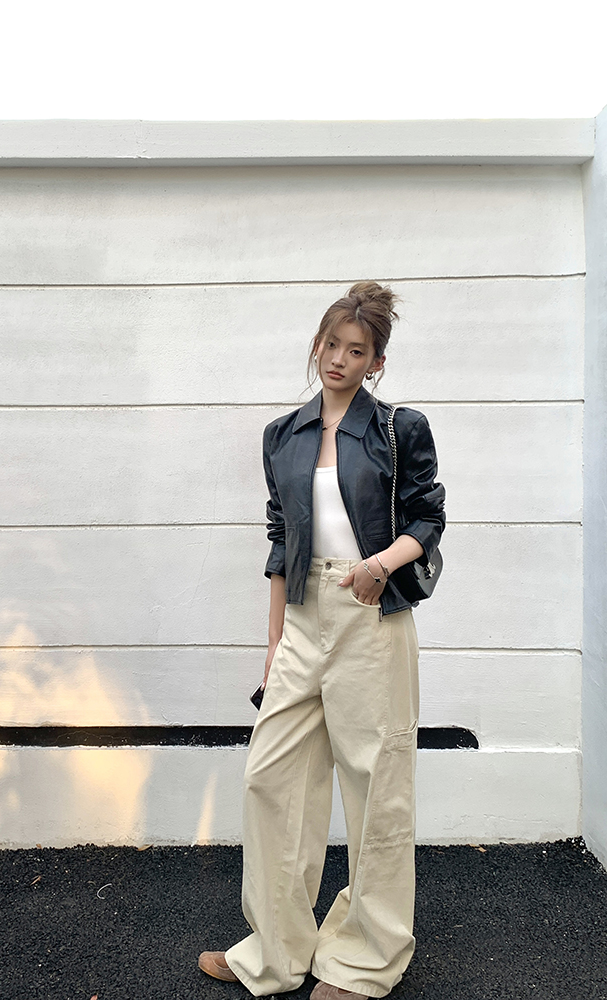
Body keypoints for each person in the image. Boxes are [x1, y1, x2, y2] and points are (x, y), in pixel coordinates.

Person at [198, 281, 446, 1000]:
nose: (339, 359)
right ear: (317, 345)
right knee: (270, 777)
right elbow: (281, 539)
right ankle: (276, 953)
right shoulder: (283, 435)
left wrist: (381, 565)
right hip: (303, 615)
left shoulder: (399, 428)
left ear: (377, 363)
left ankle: (363, 960)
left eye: (356, 351)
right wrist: (275, 641)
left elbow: (427, 519)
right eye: (331, 344)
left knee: (376, 788)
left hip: (371, 613)